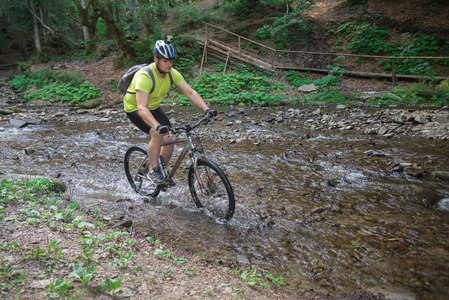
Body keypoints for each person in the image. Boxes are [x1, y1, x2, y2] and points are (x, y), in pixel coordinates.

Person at [124, 37, 217, 184]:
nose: (169, 64)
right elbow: (142, 108)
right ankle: (153, 171)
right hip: (135, 108)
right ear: (156, 59)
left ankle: (162, 171)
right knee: (157, 134)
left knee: (171, 137)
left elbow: (190, 93)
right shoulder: (144, 76)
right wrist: (157, 126)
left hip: (153, 107)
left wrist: (206, 109)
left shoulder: (172, 73)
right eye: (165, 61)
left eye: (171, 61)